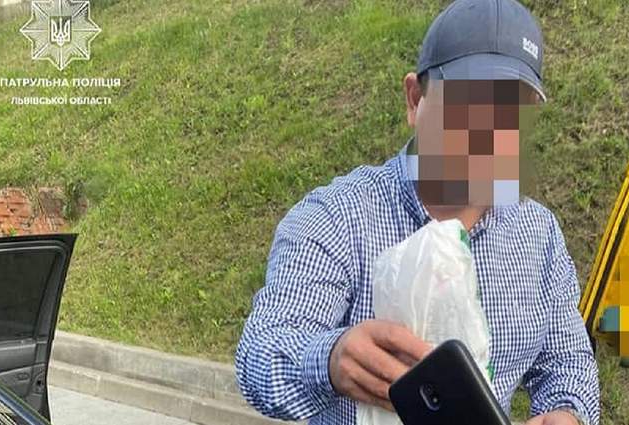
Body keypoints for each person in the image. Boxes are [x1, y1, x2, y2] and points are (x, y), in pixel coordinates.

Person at [235, 0, 600, 424]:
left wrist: (567, 413)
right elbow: (262, 355)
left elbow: (567, 358)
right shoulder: (338, 216)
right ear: (415, 99)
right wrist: (329, 360)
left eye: (510, 109)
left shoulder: (538, 233)